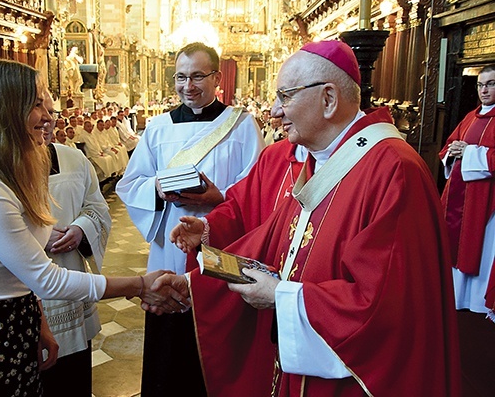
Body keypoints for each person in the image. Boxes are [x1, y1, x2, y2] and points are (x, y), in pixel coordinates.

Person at [158, 40, 461, 396]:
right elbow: (272, 239)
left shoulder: (394, 170)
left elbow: (386, 307)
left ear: (329, 99)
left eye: (284, 96)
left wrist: (282, 297)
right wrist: (204, 264)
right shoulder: (322, 160)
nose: (274, 111)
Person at [0, 59, 189, 397]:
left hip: (13, 323)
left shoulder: (4, 178)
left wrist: (39, 324)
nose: (49, 117)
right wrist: (140, 284)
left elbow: (17, 272)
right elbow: (47, 278)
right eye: (37, 104)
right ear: (6, 110)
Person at [116, 42, 264, 397]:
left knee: (216, 331)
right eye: (181, 77)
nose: (188, 85)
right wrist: (157, 188)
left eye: (198, 76)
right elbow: (131, 183)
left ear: (216, 77)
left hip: (221, 240)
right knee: (170, 329)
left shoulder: (241, 126)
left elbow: (257, 190)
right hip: (170, 242)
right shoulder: (157, 127)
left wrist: (219, 198)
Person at [39, 90, 112, 396]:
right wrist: (39, 237)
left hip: (72, 276)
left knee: (75, 378)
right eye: (39, 111)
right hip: (31, 291)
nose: (46, 121)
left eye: (51, 113)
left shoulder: (73, 158)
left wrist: (81, 229)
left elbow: (96, 207)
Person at [439, 64, 495, 396]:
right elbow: (448, 146)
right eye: (482, 85)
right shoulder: (471, 117)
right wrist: (454, 154)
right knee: (457, 247)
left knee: (482, 249)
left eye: (491, 84)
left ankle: (479, 301)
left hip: (486, 206)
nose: (485, 90)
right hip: (461, 198)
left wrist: (470, 152)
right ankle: (460, 295)